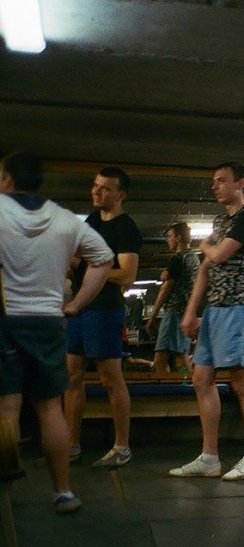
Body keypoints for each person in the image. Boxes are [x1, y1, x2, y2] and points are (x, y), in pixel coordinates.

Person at [0, 152, 114, 513]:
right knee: (50, 408)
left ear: (6, 179)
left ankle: (4, 499)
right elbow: (104, 258)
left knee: (7, 409)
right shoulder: (65, 219)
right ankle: (63, 492)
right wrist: (76, 304)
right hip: (49, 322)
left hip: (5, 321)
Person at [168, 162, 244, 481]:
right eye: (213, 181)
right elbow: (206, 269)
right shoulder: (220, 221)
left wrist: (203, 245)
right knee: (201, 379)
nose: (215, 186)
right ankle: (210, 456)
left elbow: (219, 255)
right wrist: (190, 311)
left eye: (222, 181)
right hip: (214, 308)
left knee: (241, 379)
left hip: (240, 306)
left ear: (241, 183)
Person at [64, 167, 142, 467]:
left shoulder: (126, 228)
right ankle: (71, 444)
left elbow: (127, 275)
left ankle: (122, 446)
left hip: (105, 310)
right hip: (80, 308)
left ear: (120, 194)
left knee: (111, 378)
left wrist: (96, 270)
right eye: (95, 186)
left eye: (105, 188)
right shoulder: (92, 221)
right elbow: (79, 260)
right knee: (71, 377)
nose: (97, 192)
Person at [145, 222, 200, 372]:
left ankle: (164, 392)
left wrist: (152, 318)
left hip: (174, 311)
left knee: (160, 358)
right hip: (187, 312)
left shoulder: (178, 259)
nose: (167, 240)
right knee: (180, 355)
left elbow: (165, 290)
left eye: (169, 236)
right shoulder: (194, 258)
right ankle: (186, 388)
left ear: (178, 238)